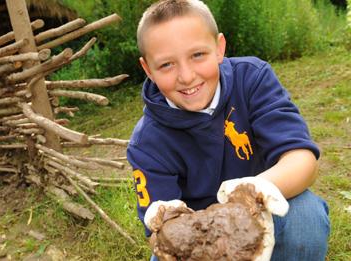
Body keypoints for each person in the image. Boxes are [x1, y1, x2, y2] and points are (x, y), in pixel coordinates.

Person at [126, 0, 330, 260]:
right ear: (147, 69)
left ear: (219, 47)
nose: (186, 76)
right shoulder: (145, 143)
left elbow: (302, 161)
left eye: (197, 55)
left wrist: (250, 194)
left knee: (306, 215)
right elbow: (156, 234)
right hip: (197, 237)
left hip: (260, 211)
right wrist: (181, 232)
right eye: (167, 65)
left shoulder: (253, 79)